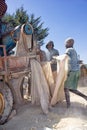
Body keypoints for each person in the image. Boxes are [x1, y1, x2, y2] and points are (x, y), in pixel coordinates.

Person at [64, 37, 87, 108]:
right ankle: (85, 97)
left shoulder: (69, 50)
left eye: (66, 42)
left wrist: (56, 58)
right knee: (72, 88)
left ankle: (68, 106)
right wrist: (78, 61)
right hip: (77, 71)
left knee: (66, 88)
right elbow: (76, 61)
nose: (65, 44)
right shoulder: (74, 51)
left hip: (72, 71)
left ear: (71, 43)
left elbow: (65, 57)